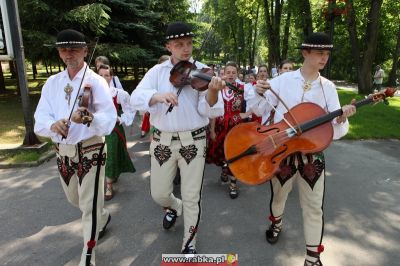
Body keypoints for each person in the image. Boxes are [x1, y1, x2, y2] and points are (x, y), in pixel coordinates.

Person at [247, 32, 356, 266]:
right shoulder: (283, 81)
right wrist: (258, 90)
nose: (324, 58)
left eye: (326, 54)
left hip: (312, 155)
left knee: (314, 207)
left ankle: (312, 257)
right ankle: (276, 223)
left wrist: (340, 119)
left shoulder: (328, 88)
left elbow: (335, 129)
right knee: (279, 197)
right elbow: (257, 109)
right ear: (305, 53)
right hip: (282, 152)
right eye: (319, 53)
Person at [130, 21, 225, 254]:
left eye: (189, 44)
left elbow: (211, 110)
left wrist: (212, 91)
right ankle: (175, 206)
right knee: (159, 193)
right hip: (162, 140)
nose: (186, 49)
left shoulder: (203, 71)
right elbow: (135, 98)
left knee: (193, 196)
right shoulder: (157, 72)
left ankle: (189, 243)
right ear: (168, 46)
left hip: (193, 140)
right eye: (180, 44)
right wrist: (156, 96)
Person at [34, 29, 116, 266]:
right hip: (64, 152)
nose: (68, 53)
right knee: (76, 201)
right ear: (59, 53)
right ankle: (102, 216)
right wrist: (53, 124)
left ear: (85, 51)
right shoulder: (52, 83)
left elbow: (109, 120)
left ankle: (88, 255)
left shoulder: (96, 82)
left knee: (88, 204)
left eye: (74, 49)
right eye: (63, 49)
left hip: (91, 149)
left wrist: (89, 117)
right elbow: (41, 116)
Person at [207, 61, 248, 199]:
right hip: (219, 127)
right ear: (223, 73)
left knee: (234, 155)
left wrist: (242, 116)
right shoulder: (218, 88)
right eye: (228, 72)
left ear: (238, 74)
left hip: (235, 128)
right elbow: (213, 111)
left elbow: (254, 107)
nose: (230, 75)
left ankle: (233, 184)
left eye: (233, 72)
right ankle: (224, 169)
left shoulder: (243, 88)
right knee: (221, 153)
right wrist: (212, 130)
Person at [97, 64, 136, 201]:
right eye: (100, 75)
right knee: (101, 157)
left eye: (106, 75)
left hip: (113, 129)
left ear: (111, 77)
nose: (103, 78)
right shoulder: (91, 93)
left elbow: (130, 109)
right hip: (97, 130)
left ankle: (108, 186)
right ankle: (111, 175)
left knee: (112, 155)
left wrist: (121, 119)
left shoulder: (118, 93)